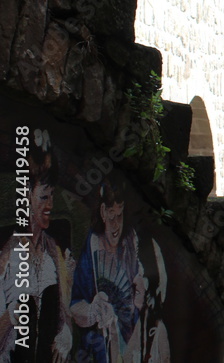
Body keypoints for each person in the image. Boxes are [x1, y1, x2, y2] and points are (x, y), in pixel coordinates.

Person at [0, 132, 75, 363]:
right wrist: (10, 317)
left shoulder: (56, 254)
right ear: (26, 196)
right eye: (43, 197)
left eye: (52, 196)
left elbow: (65, 315)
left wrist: (66, 334)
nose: (50, 205)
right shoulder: (7, 257)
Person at [70, 176, 144, 363]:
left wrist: (141, 295)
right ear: (103, 212)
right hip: (98, 345)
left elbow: (140, 290)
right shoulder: (92, 245)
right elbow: (75, 305)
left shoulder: (130, 240)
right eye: (111, 215)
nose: (116, 224)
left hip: (132, 343)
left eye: (120, 215)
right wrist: (93, 310)